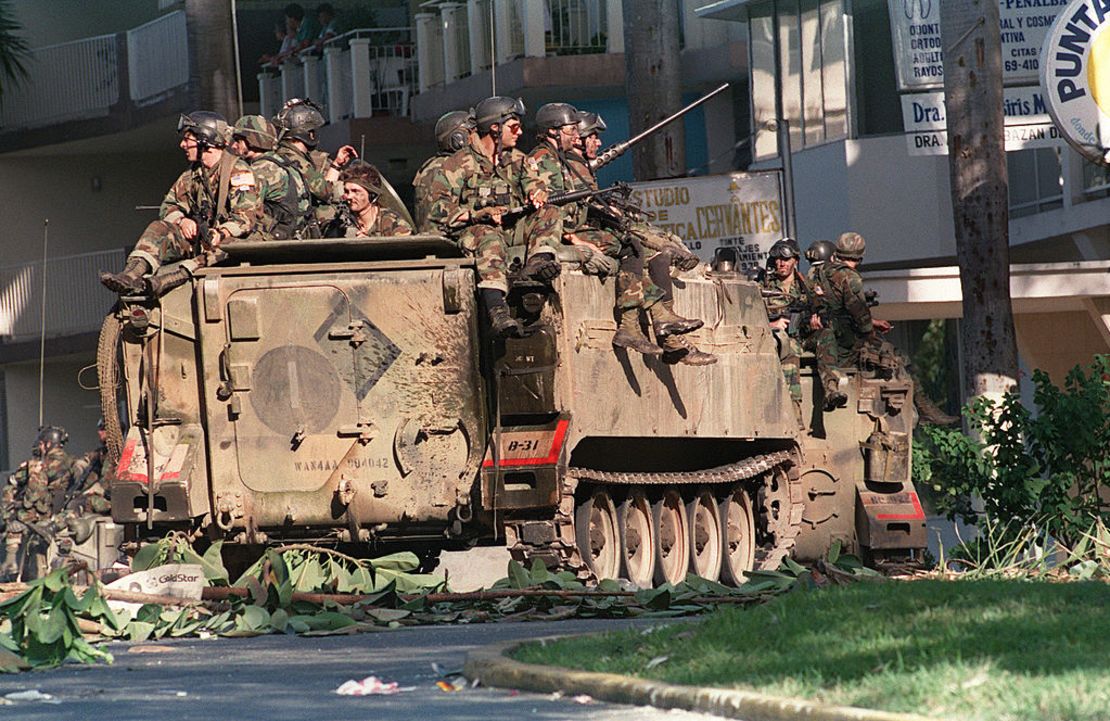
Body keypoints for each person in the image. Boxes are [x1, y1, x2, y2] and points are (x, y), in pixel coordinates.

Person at [570, 110, 712, 362]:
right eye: (592, 136)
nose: (598, 142)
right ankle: (648, 326)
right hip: (580, 234)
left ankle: (669, 335)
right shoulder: (563, 167)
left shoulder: (580, 169)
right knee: (634, 248)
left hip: (596, 231)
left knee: (659, 254)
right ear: (578, 137)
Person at [424, 96, 562, 337]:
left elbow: (534, 182)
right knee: (489, 238)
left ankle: (538, 264)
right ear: (495, 128)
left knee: (550, 211)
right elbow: (438, 211)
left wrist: (536, 192)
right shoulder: (457, 165)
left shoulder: (517, 159)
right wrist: (478, 215)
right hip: (472, 233)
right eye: (514, 127)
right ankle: (497, 310)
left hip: (510, 228)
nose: (519, 133)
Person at [100, 111, 261, 294]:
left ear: (205, 139)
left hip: (230, 245)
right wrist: (182, 221)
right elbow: (169, 205)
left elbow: (245, 218)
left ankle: (162, 282)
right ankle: (131, 274)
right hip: (202, 240)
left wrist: (221, 233)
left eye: (188, 139)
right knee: (159, 228)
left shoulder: (238, 172)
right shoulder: (192, 175)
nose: (182, 144)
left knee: (220, 250)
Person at [817, 232, 892, 409]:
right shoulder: (851, 278)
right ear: (860, 257)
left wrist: (874, 321)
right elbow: (858, 312)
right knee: (888, 354)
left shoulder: (821, 271)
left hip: (822, 331)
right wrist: (870, 330)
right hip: (842, 339)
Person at [0, 426, 75, 581]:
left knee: (10, 525)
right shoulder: (70, 461)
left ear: (47, 444)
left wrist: (26, 469)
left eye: (41, 444)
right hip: (57, 510)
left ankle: (9, 568)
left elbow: (15, 479)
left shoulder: (40, 465)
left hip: (38, 514)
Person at [231, 115, 314, 240]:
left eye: (238, 140)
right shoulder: (282, 161)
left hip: (273, 239)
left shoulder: (261, 170)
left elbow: (247, 212)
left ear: (252, 140)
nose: (234, 145)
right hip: (297, 234)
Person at [272, 98, 350, 230]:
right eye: (313, 131)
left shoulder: (280, 154)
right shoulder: (296, 160)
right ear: (308, 134)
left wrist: (336, 164)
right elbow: (324, 192)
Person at [413, 109, 476, 232]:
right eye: (472, 134)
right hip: (443, 240)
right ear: (458, 139)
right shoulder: (445, 167)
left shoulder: (433, 164)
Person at [335, 161, 414, 237]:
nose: (349, 196)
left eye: (355, 191)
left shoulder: (393, 223)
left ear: (372, 195)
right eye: (346, 191)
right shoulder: (341, 220)